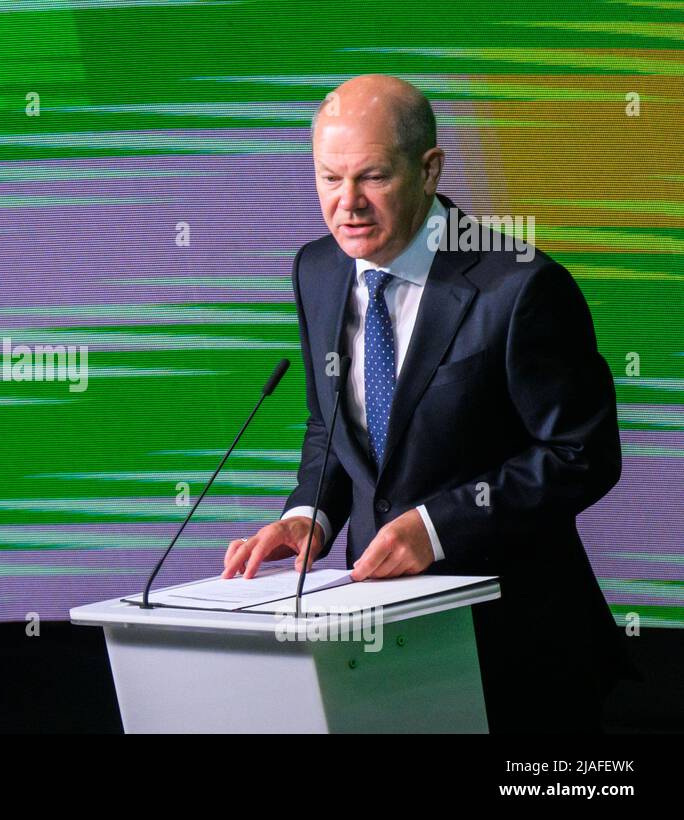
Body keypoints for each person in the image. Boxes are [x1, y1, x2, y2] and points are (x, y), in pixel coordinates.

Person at [221, 74, 635, 733]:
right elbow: (332, 423)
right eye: (329, 179)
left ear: (429, 167)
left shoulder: (520, 286)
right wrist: (311, 516)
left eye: (372, 177)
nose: (346, 205)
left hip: (517, 649)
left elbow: (583, 452)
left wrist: (437, 526)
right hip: (377, 649)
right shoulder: (317, 269)